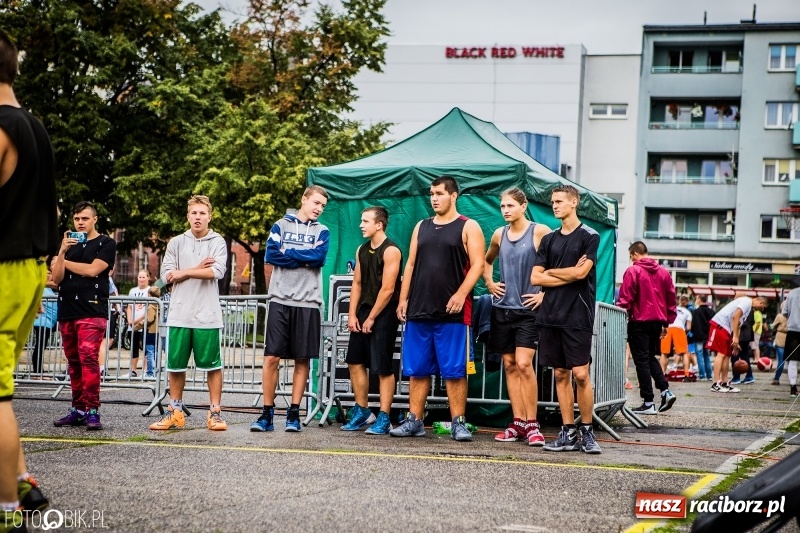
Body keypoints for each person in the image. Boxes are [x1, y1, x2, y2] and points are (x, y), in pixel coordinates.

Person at [0, 29, 58, 525]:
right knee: (1, 384)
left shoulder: (0, 127)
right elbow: (52, 208)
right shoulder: (36, 128)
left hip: (2, 268)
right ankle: (22, 480)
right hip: (30, 270)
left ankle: (6, 508)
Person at [391, 176, 485, 442]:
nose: (434, 198)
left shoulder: (469, 226)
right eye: (431, 193)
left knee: (455, 370)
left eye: (439, 193)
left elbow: (478, 264)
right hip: (419, 309)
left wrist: (460, 293)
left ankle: (458, 423)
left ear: (453, 196)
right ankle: (415, 421)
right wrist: (403, 299)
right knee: (417, 369)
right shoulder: (421, 226)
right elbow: (409, 265)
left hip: (453, 312)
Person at [250, 186, 330, 433]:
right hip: (280, 300)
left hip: (307, 302)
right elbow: (273, 256)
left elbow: (319, 258)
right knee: (271, 357)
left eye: (323, 206)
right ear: (304, 200)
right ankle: (266, 414)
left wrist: (292, 253)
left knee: (301, 359)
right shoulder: (280, 226)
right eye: (316, 203)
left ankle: (294, 413)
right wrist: (303, 256)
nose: (318, 208)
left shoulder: (322, 230)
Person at [531, 184, 602, 454]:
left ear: (574, 203)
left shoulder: (590, 236)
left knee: (581, 375)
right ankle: (568, 431)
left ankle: (587, 431)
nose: (555, 205)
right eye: (553, 201)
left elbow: (581, 275)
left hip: (578, 314)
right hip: (550, 315)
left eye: (560, 201)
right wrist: (569, 272)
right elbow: (535, 277)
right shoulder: (549, 239)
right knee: (560, 374)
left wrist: (556, 273)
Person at [149, 195, 228, 431]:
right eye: (194, 213)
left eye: (202, 213)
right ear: (188, 216)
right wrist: (193, 270)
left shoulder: (218, 241)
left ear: (209, 216)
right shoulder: (175, 242)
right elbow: (168, 276)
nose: (197, 217)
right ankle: (175, 411)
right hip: (180, 313)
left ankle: (215, 412)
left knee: (212, 365)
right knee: (175, 366)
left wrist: (182, 273)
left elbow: (216, 272)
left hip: (207, 314)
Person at [482, 188, 550, 446]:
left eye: (510, 205)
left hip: (528, 311)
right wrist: (489, 282)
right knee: (510, 365)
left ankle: (533, 424)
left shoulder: (540, 231)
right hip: (502, 309)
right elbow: (486, 261)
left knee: (524, 364)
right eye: (502, 206)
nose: (506, 210)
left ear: (524, 206)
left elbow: (556, 267)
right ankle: (518, 422)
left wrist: (544, 294)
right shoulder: (499, 234)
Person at [51, 201, 117, 432]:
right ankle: (78, 410)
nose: (80, 223)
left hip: (91, 309)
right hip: (67, 309)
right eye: (77, 219)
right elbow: (56, 279)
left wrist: (63, 262)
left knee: (88, 358)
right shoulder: (67, 245)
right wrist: (60, 252)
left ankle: (92, 411)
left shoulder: (106, 243)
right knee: (73, 362)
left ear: (94, 219)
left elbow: (93, 270)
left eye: (85, 219)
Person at [341, 206, 402, 435]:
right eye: (361, 220)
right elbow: (356, 284)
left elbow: (387, 290)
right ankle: (363, 411)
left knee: (383, 367)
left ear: (379, 225)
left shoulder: (391, 251)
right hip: (364, 312)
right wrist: (352, 314)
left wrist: (373, 317)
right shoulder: (361, 249)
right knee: (354, 361)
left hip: (384, 315)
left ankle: (384, 416)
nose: (361, 225)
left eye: (366, 221)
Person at [616, 241, 677, 416]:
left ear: (635, 254)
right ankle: (665, 391)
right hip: (657, 321)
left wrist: (622, 312)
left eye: (630, 256)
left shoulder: (633, 271)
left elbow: (626, 297)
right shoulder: (664, 273)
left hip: (638, 320)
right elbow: (670, 298)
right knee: (650, 357)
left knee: (641, 360)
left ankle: (648, 402)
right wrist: (666, 322)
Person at [706, 295, 768, 393]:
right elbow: (735, 316)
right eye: (763, 307)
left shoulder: (748, 309)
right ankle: (715, 383)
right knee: (721, 354)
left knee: (727, 355)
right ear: (761, 303)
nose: (762, 309)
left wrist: (736, 341)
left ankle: (724, 382)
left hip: (726, 328)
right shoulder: (747, 302)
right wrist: (734, 336)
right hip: (720, 325)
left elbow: (738, 324)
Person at [30, 271, 58, 375]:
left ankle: (39, 372)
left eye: (50, 273)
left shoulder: (49, 289)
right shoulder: (39, 286)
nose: (47, 275)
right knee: (40, 346)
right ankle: (38, 373)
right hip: (41, 321)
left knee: (42, 346)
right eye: (44, 273)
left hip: (50, 322)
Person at [125, 269, 151, 378]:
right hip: (133, 325)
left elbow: (149, 309)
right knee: (134, 348)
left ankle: (145, 371)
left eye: (144, 277)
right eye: (140, 277)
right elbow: (129, 307)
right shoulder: (133, 291)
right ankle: (133, 370)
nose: (141, 279)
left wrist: (137, 320)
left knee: (146, 348)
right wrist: (129, 320)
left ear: (148, 278)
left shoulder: (150, 291)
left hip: (144, 324)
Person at [660, 295, 692, 381]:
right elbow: (688, 327)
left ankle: (662, 374)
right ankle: (686, 375)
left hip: (668, 328)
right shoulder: (687, 312)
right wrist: (685, 334)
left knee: (664, 353)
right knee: (684, 353)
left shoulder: (670, 309)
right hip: (679, 329)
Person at [98, 269, 121, 377]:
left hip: (107, 311)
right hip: (106, 311)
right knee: (105, 341)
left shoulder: (106, 278)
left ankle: (100, 367)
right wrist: (116, 306)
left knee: (108, 340)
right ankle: (101, 368)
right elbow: (111, 293)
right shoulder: (106, 279)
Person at [691, 294, 715, 381]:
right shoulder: (710, 311)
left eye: (697, 299)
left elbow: (693, 325)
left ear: (700, 300)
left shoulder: (696, 312)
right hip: (708, 336)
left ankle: (702, 375)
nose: (696, 300)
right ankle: (709, 375)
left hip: (699, 336)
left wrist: (693, 333)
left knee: (699, 355)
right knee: (707, 356)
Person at [784, 286, 800, 398]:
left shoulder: (792, 293)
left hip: (793, 330)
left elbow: (785, 312)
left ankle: (793, 388)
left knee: (792, 361)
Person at [771, 306, 788, 385]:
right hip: (791, 337)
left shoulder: (780, 316)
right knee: (793, 362)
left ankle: (776, 379)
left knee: (781, 361)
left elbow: (773, 326)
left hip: (780, 337)